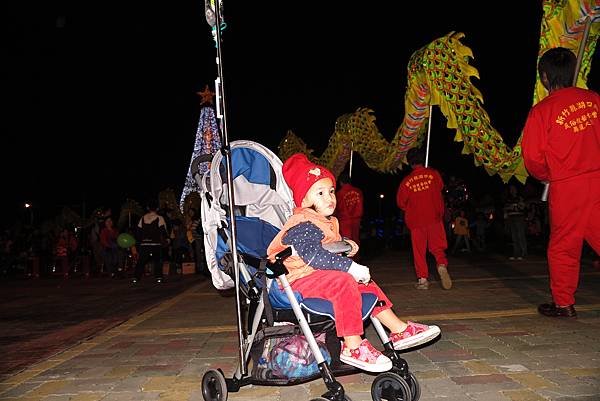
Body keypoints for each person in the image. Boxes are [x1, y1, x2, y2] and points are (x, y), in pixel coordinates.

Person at [267, 154, 441, 373]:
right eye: (320, 193)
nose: (329, 197)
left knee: (365, 284)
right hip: (296, 281)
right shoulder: (302, 223)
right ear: (303, 200)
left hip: (318, 278)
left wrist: (346, 244)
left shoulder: (324, 222)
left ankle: (398, 329)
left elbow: (330, 247)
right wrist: (350, 267)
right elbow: (314, 256)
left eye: (331, 191)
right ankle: (353, 346)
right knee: (344, 280)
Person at [522, 47, 600, 318]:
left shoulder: (542, 111)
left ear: (544, 76)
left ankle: (564, 303)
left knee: (563, 245)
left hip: (568, 184)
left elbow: (532, 157)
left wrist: (546, 175)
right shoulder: (594, 100)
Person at [396, 148, 452, 290]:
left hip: (416, 220)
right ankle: (441, 264)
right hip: (434, 216)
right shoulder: (434, 174)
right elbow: (440, 187)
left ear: (409, 162)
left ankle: (423, 280)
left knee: (419, 251)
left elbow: (400, 202)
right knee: (437, 247)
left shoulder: (406, 181)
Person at [133, 199, 170, 284]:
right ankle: (159, 277)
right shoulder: (159, 218)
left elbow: (138, 231)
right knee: (157, 260)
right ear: (157, 208)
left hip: (144, 243)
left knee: (141, 261)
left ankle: (136, 277)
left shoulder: (142, 218)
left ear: (148, 208)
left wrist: (138, 242)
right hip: (155, 243)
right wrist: (167, 239)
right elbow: (163, 230)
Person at [335, 172, 364, 259]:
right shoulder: (358, 191)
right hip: (356, 220)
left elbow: (337, 208)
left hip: (344, 220)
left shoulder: (339, 193)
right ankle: (356, 259)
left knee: (346, 241)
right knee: (355, 239)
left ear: (341, 182)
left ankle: (349, 261)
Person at [503, 185, 528, 260]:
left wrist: (519, 204)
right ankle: (516, 253)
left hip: (519, 218)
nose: (512, 190)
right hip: (511, 218)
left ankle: (523, 253)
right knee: (514, 237)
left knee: (521, 236)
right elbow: (504, 208)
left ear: (516, 190)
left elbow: (523, 207)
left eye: (513, 188)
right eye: (510, 189)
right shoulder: (508, 198)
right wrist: (508, 209)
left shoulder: (520, 197)